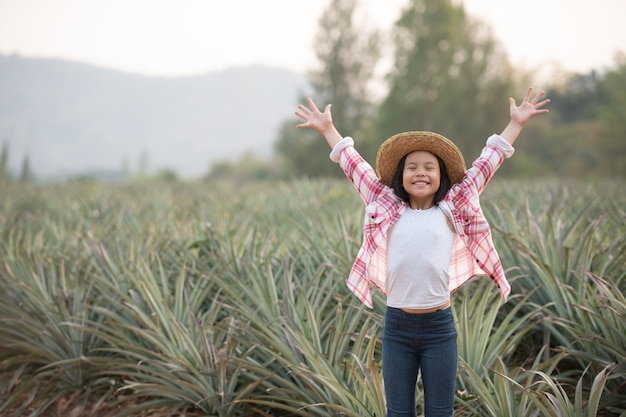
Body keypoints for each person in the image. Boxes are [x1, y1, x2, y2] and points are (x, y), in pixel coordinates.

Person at [294, 87, 550, 417]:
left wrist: (515, 124)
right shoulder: (384, 203)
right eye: (411, 167)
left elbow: (487, 163)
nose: (420, 172)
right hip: (397, 327)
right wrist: (329, 130)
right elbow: (354, 166)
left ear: (441, 176)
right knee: (398, 412)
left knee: (440, 412)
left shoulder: (452, 206)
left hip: (439, 328)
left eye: (430, 167)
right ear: (400, 176)